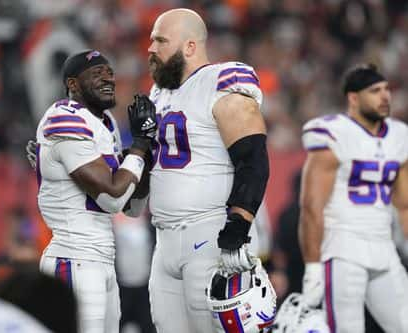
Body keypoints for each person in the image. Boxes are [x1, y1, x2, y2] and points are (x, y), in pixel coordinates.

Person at [145, 8, 270, 333]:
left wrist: (239, 224)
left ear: (189, 46)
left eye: (160, 40)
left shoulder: (221, 81)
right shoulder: (158, 94)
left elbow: (253, 159)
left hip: (210, 236)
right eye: (151, 40)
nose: (151, 48)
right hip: (164, 242)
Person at [32, 50, 156, 333]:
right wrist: (137, 147)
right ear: (73, 84)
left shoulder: (107, 123)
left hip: (102, 258)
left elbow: (132, 207)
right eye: (97, 74)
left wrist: (145, 153)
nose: (108, 79)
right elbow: (113, 198)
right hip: (74, 254)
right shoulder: (64, 118)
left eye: (110, 73)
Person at [299, 63, 408, 333]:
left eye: (386, 89)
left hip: (384, 248)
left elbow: (405, 203)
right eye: (375, 91)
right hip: (343, 250)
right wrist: (312, 265)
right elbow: (312, 206)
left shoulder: (399, 135)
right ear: (354, 97)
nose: (385, 97)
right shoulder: (333, 133)